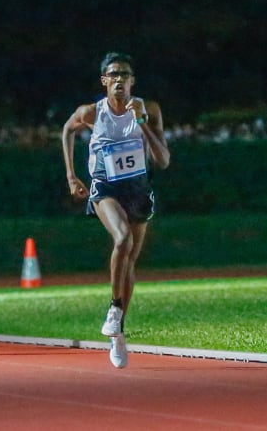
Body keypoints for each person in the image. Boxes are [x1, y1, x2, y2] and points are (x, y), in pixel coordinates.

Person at [61, 52, 170, 368]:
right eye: (113, 74)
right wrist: (71, 175)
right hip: (105, 187)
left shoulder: (148, 109)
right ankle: (114, 307)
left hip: (137, 188)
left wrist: (142, 123)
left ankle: (118, 332)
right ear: (104, 81)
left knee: (129, 261)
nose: (119, 79)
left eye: (124, 74)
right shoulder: (91, 112)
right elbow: (67, 130)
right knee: (122, 239)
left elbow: (163, 160)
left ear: (132, 81)